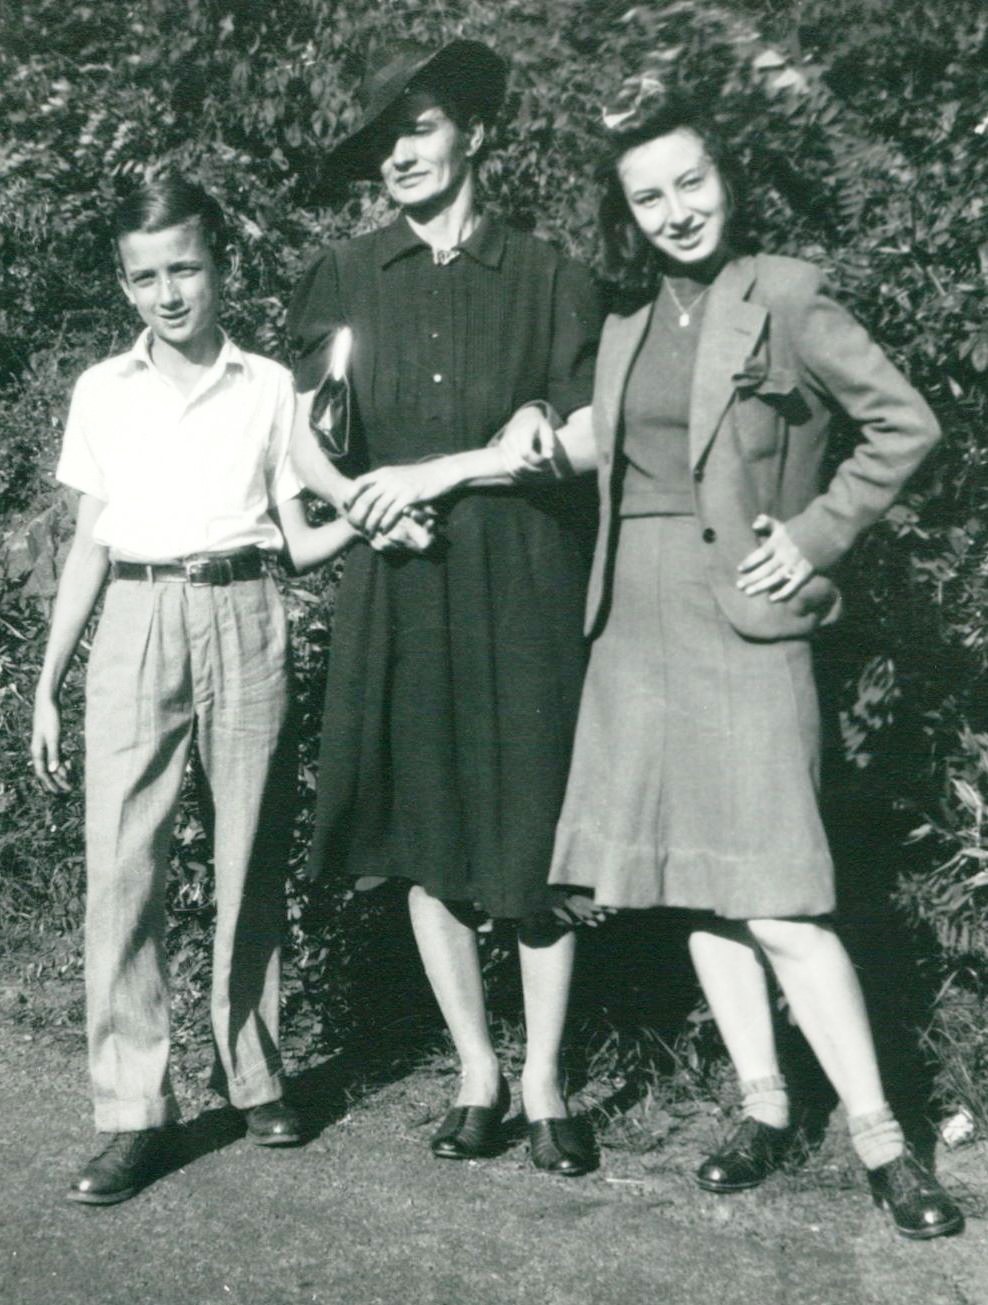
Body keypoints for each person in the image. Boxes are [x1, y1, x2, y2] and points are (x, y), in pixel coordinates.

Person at [508, 91, 963, 1238]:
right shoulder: (623, 320)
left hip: (745, 623)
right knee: (692, 881)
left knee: (779, 899)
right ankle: (763, 1108)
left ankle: (884, 1143)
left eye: (690, 182)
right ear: (623, 214)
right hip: (634, 627)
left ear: (726, 178)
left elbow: (904, 425)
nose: (675, 211)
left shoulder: (790, 294)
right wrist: (531, 434)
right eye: (647, 197)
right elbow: (607, 445)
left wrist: (812, 536)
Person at [30, 174, 385, 1205]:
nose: (169, 294)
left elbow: (301, 534)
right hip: (136, 619)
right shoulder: (103, 390)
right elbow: (89, 547)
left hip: (245, 612)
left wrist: (375, 514)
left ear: (220, 265)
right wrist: (49, 682)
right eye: (146, 277)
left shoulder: (268, 387)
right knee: (122, 867)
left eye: (185, 268)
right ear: (124, 284)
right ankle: (133, 1112)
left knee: (251, 852)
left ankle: (255, 1075)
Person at [287, 38, 602, 1174]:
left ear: (474, 132)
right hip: (402, 581)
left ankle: (548, 1081)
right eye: (384, 140)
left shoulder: (551, 275)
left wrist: (483, 454)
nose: (399, 155)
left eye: (417, 128)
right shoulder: (344, 274)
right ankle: (478, 1073)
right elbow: (306, 443)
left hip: (523, 580)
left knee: (533, 830)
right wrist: (363, 504)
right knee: (425, 836)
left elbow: (584, 438)